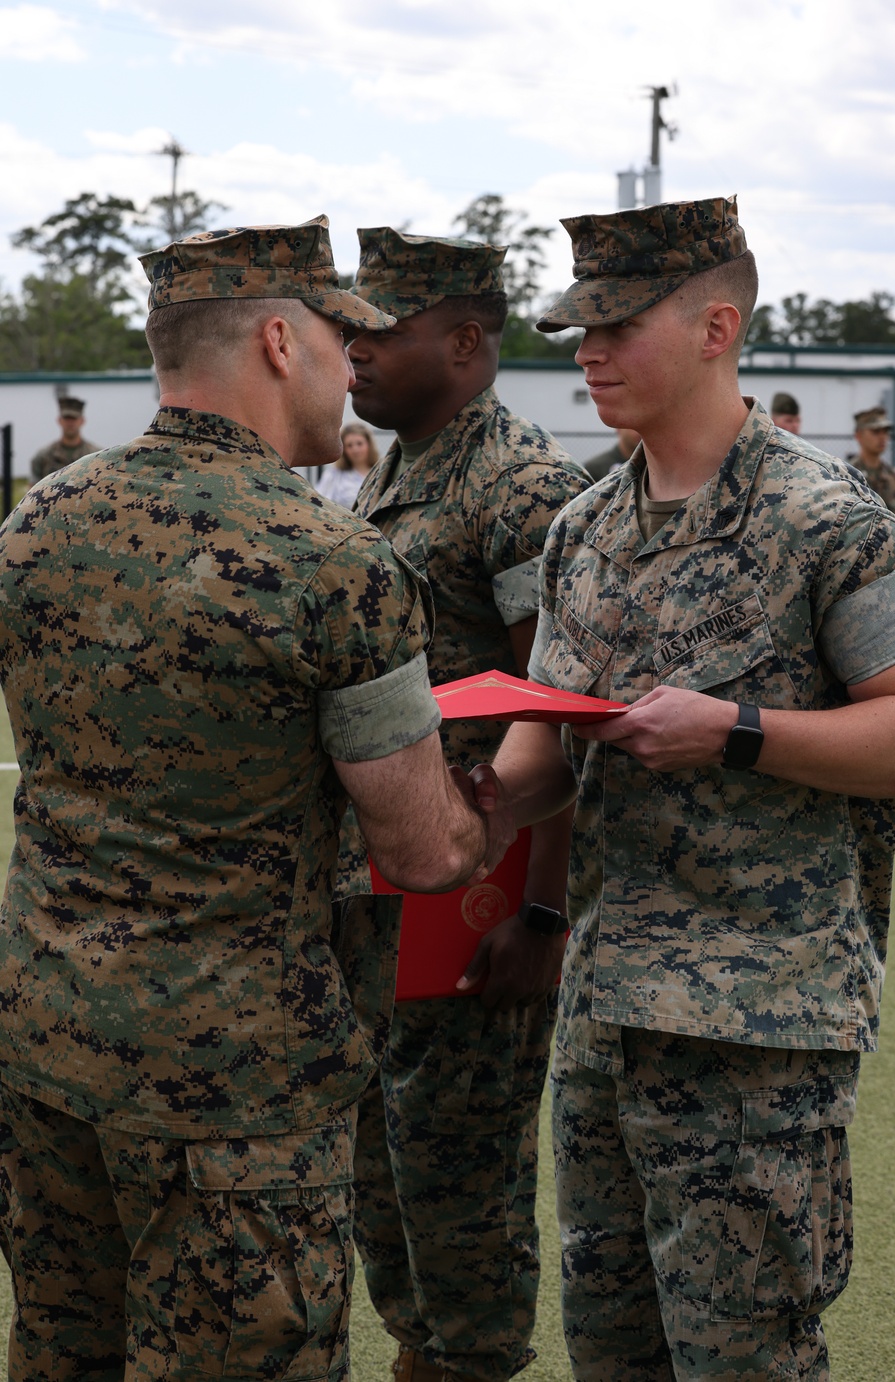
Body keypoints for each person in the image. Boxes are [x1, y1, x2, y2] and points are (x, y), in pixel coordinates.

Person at [0, 215, 514, 1380]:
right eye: (346, 336)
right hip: (237, 1092)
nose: (357, 364)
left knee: (61, 1352)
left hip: (44, 1049)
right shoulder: (331, 562)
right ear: (282, 340)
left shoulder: (40, 520)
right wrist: (503, 804)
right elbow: (426, 851)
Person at [483, 195, 895, 1381]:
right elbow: (543, 757)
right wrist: (475, 781)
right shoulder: (582, 529)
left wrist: (738, 729)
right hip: (605, 1014)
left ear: (716, 327)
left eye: (617, 324)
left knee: (743, 1357)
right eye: (576, 330)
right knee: (613, 1349)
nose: (588, 352)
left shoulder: (818, 515)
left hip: (757, 1026)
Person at [346, 226, 590, 1382]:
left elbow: (561, 710)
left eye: (377, 329)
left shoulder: (522, 484)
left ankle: (465, 1361)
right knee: (384, 1177)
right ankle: (422, 1354)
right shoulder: (393, 469)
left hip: (472, 892)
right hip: (381, 888)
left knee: (456, 1184)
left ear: (463, 340)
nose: (352, 347)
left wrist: (540, 912)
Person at [849, 406, 895, 513]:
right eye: (875, 432)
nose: (882, 437)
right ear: (858, 435)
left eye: (885, 432)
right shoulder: (847, 476)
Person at [29, 395, 99, 480]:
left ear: (82, 421)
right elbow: (33, 489)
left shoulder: (95, 456)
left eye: (74, 418)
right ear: (59, 420)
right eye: (66, 418)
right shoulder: (43, 456)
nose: (70, 423)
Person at [315, 420, 381, 508]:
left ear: (369, 444)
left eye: (359, 443)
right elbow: (319, 502)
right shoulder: (334, 475)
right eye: (349, 445)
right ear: (343, 449)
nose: (355, 450)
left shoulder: (381, 472)